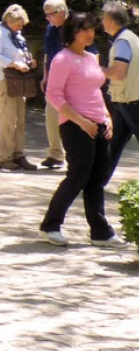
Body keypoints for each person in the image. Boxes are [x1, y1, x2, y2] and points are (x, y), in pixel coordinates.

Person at [39, 12, 128, 248]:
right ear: (72, 32)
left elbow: (95, 90)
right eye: (84, 29)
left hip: (98, 123)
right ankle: (50, 226)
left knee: (97, 179)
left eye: (91, 28)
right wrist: (80, 121)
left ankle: (100, 232)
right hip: (75, 125)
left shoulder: (91, 57)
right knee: (78, 175)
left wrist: (107, 118)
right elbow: (53, 94)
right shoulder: (62, 59)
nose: (90, 33)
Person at [0, 4, 39, 172]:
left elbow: (20, 53)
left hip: (19, 81)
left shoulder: (17, 36)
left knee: (20, 121)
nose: (21, 27)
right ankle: (4, 157)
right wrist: (13, 64)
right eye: (18, 24)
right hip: (4, 79)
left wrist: (28, 61)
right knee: (8, 119)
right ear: (9, 20)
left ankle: (18, 155)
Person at [101, 0, 139, 181]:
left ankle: (97, 182)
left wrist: (95, 69)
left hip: (131, 101)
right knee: (113, 145)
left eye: (103, 18)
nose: (101, 21)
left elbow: (118, 73)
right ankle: (98, 182)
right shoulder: (131, 38)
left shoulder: (123, 42)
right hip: (127, 101)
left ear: (109, 19)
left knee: (113, 145)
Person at [40, 0, 70, 169]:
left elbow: (89, 54)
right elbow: (47, 54)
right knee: (51, 115)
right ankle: (55, 154)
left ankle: (73, 155)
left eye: (51, 14)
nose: (48, 18)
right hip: (53, 79)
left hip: (71, 80)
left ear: (62, 11)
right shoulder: (50, 29)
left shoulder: (75, 27)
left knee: (72, 117)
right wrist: (45, 76)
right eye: (46, 15)